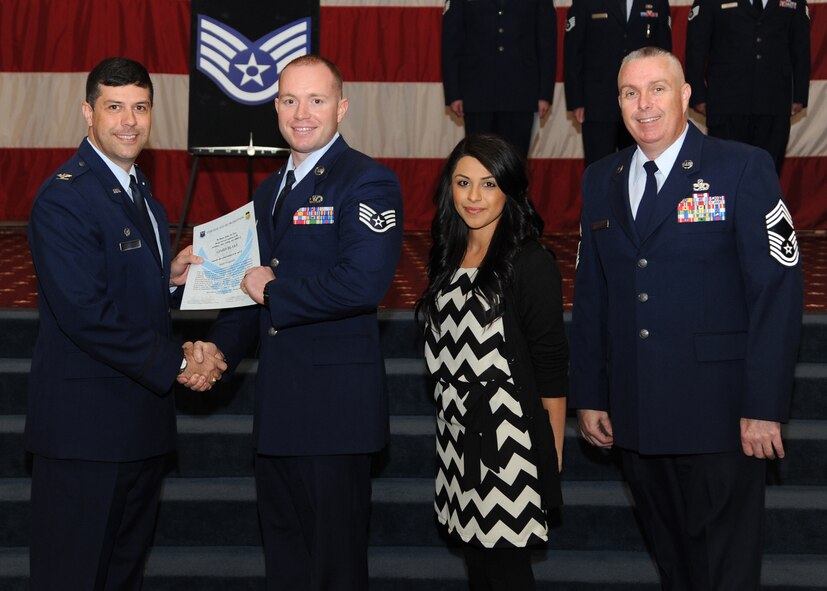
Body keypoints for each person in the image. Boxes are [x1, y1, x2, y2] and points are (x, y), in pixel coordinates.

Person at [568, 47, 803, 589]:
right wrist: (591, 393)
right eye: (630, 93)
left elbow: (776, 291)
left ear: (685, 95)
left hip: (720, 414)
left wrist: (764, 406)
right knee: (675, 565)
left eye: (657, 89)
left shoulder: (741, 167)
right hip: (635, 411)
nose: (644, 104)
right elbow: (592, 293)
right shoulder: (601, 178)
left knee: (725, 570)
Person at [190, 55, 403, 590]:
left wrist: (273, 290)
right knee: (286, 563)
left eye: (316, 100)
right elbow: (247, 292)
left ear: (341, 108)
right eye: (289, 100)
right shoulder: (269, 191)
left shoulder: (368, 181)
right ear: (275, 107)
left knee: (334, 569)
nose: (301, 113)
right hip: (278, 410)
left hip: (335, 414)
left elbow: (362, 284)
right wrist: (218, 351)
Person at [26, 57, 226, 591]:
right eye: (114, 107)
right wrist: (179, 361)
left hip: (139, 427)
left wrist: (169, 280)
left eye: (140, 107)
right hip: (84, 435)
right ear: (88, 112)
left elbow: (123, 286)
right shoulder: (65, 198)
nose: (129, 121)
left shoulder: (143, 196)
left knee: (122, 576)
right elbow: (85, 313)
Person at [416, 134, 568, 590]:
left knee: (506, 574)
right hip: (456, 436)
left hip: (509, 442)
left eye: (488, 184)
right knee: (479, 570)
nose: (474, 197)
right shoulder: (446, 256)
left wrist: (550, 455)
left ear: (509, 189)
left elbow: (550, 366)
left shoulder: (530, 261)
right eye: (463, 183)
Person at [685, 0, 810, 173]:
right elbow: (696, 48)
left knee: (767, 171)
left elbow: (801, 47)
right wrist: (698, 95)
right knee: (727, 171)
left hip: (774, 100)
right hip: (726, 101)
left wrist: (799, 95)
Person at [441, 0, 557, 159]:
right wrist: (453, 93)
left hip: (521, 92)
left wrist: (545, 93)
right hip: (477, 92)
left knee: (514, 162)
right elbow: (451, 41)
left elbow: (547, 42)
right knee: (480, 161)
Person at [563, 0, 672, 166]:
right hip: (598, 101)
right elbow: (573, 52)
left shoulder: (658, 2)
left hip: (643, 103)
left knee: (640, 165)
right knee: (598, 166)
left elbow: (665, 55)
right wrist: (576, 100)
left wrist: (663, 98)